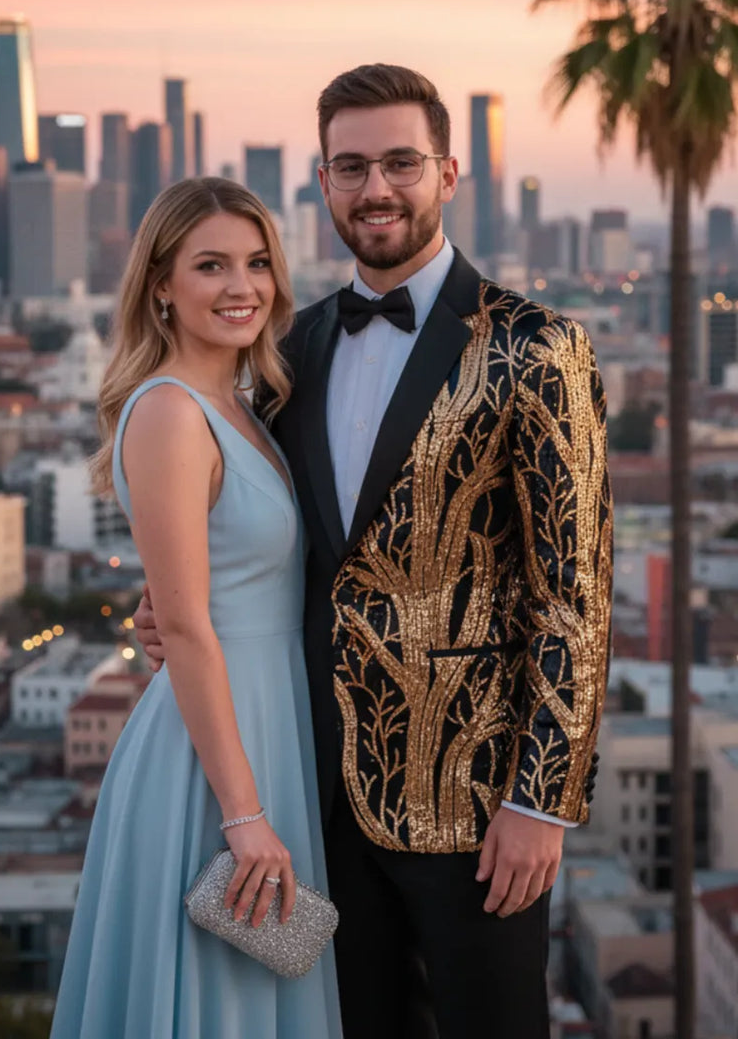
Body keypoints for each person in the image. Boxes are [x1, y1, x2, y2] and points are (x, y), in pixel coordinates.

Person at [135, 65, 613, 1039]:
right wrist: (167, 614)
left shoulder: (535, 343)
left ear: (446, 173)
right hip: (308, 792)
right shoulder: (285, 350)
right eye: (349, 167)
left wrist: (542, 799)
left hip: (477, 809)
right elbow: (249, 536)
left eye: (398, 162)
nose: (374, 189)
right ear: (321, 184)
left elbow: (575, 589)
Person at [50, 178, 342, 1039]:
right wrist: (243, 814)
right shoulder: (172, 413)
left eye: (257, 262)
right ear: (160, 286)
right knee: (219, 1006)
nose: (240, 285)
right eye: (210, 264)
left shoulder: (245, 409)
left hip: (266, 730)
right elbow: (182, 624)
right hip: (211, 764)